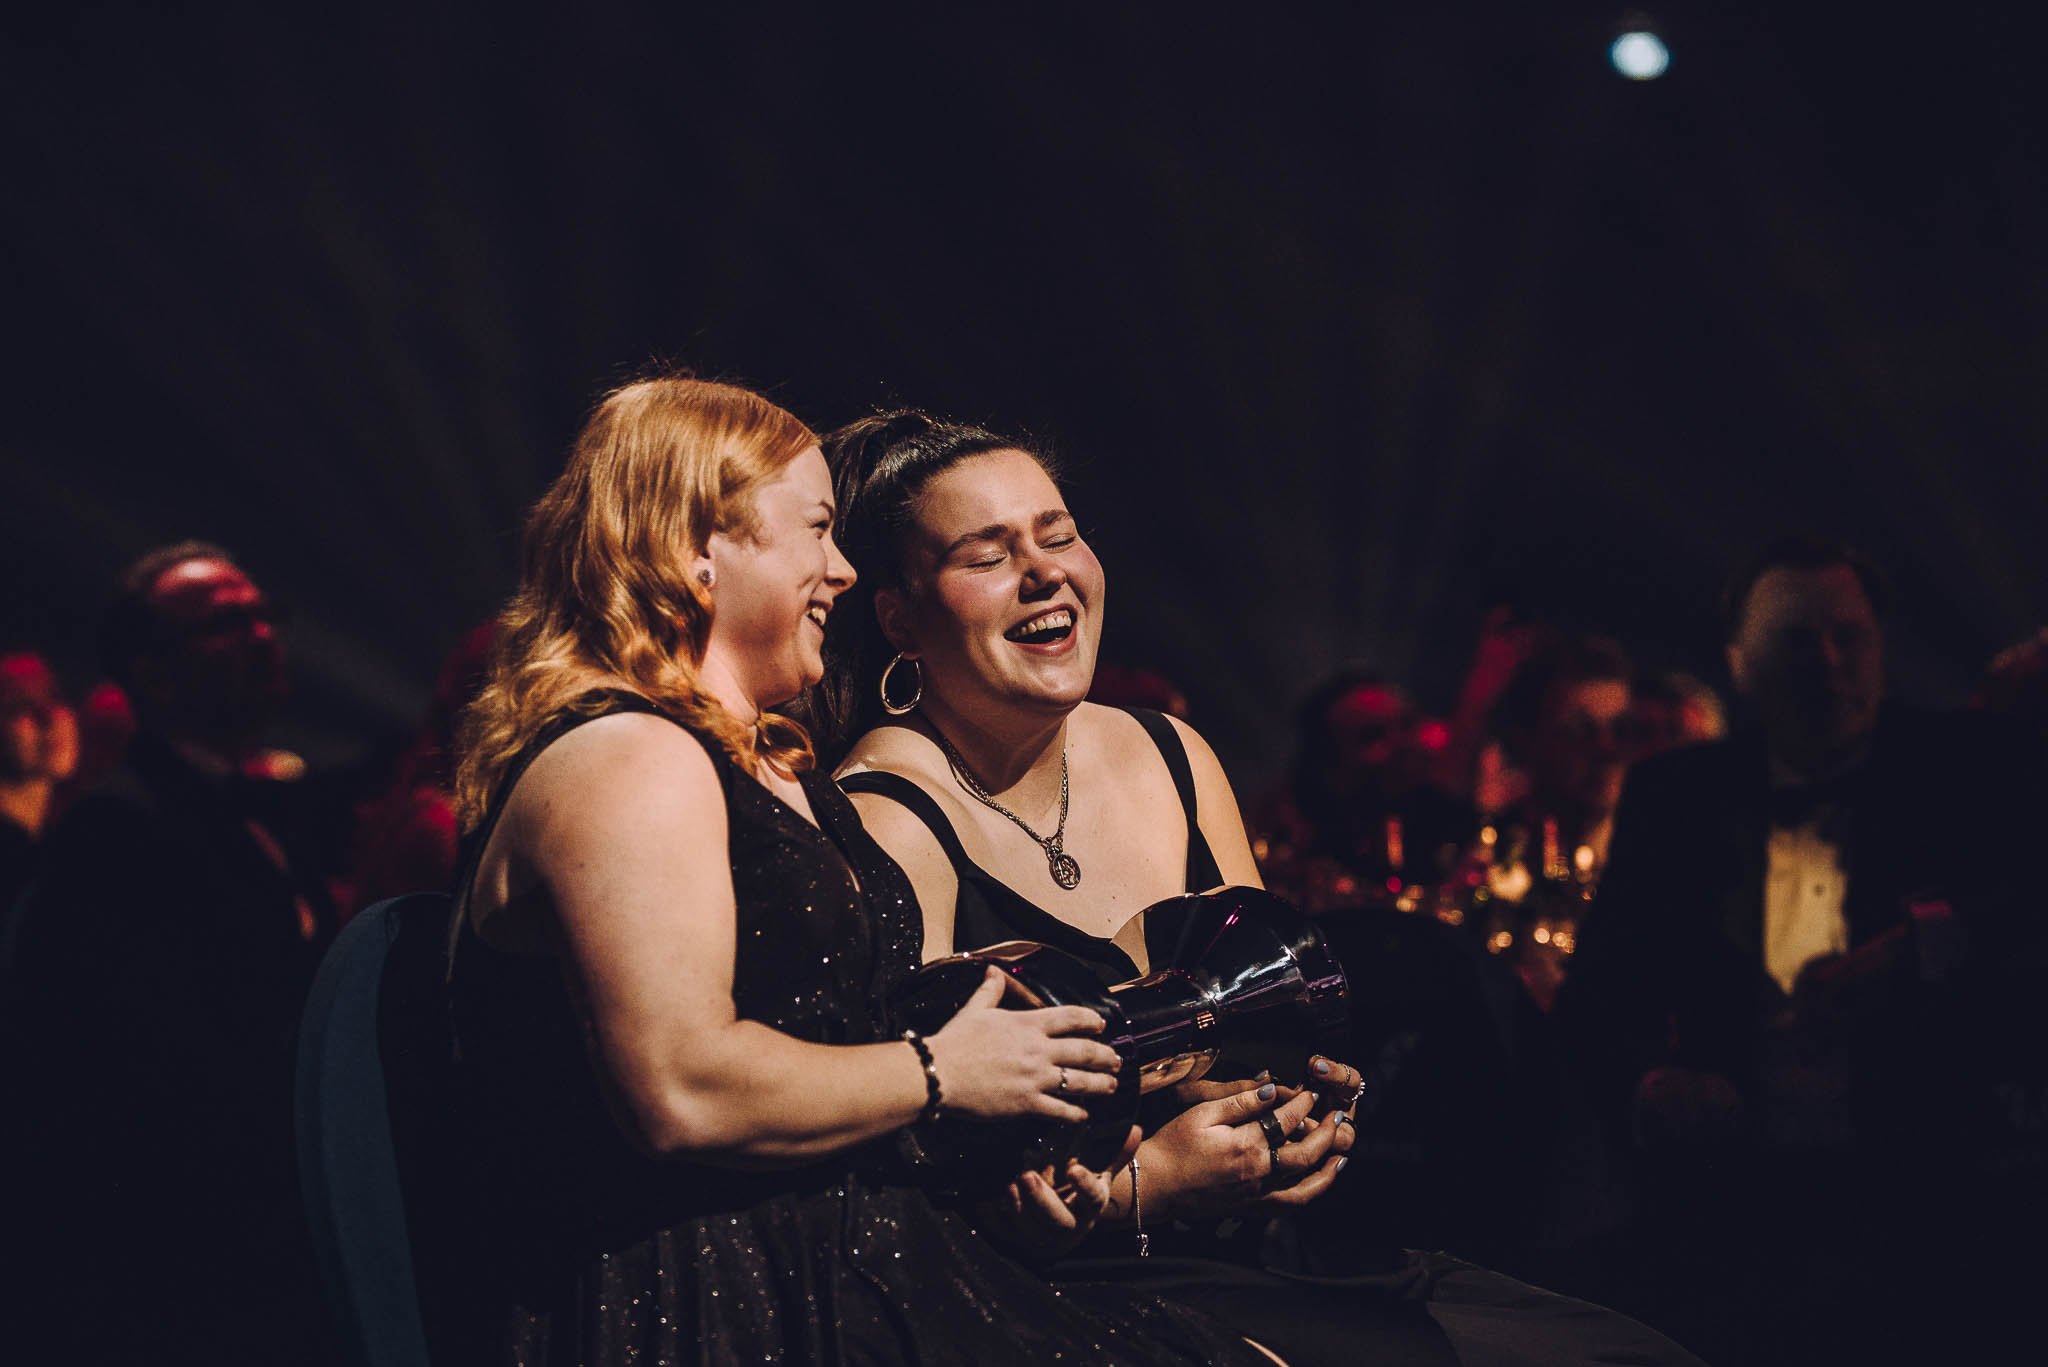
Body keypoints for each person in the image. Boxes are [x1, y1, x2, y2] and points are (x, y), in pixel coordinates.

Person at [819, 409, 1711, 1367]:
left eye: (1059, 534)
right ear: (899, 618)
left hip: (1271, 1255)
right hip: (1078, 1300)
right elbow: (901, 1188)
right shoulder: (885, 816)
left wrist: (1288, 1125)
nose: (1046, 573)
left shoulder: (1170, 753)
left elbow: (1267, 1033)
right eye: (990, 555)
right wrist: (1147, 1185)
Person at [439, 375, 1273, 1365]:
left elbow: (842, 1049)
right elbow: (681, 1089)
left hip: (855, 1266)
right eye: (815, 530)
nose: (840, 573)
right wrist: (945, 1072)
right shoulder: (629, 757)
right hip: (718, 1304)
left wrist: (1036, 1176)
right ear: (698, 550)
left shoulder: (772, 765)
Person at [1559, 537, 2048, 1365]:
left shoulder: (1972, 766)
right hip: (1733, 1206)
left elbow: (2025, 918)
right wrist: (1650, 1081)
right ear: (1738, 664)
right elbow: (1595, 1000)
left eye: (1847, 636)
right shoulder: (1677, 795)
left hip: (1943, 1194)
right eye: (1794, 640)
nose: (1827, 662)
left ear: (1880, 646)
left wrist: (1919, 946)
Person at [4, 544, 337, 1365]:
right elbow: (139, 1078)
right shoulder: (119, 832)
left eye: (264, 614)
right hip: (190, 1272)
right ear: (152, 673)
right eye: (228, 622)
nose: (263, 635)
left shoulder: (258, 807)